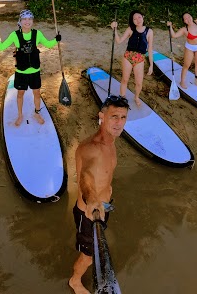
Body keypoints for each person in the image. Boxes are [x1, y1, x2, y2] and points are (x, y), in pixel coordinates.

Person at [69, 95, 129, 294]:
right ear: (101, 116)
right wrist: (93, 198)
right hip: (89, 212)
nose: (119, 123)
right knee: (88, 257)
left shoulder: (111, 141)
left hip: (103, 207)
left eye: (123, 117)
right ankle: (75, 282)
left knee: (94, 251)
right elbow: (85, 175)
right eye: (114, 117)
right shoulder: (91, 148)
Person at [0, 9, 60, 126]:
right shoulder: (14, 35)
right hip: (21, 71)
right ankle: (20, 115)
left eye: (30, 19)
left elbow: (48, 44)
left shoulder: (37, 34)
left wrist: (56, 40)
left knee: (37, 93)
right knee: (20, 94)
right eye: (24, 19)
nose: (27, 21)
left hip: (35, 71)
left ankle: (37, 113)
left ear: (32, 21)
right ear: (20, 21)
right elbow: (1, 47)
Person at [110, 10, 154, 107]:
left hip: (140, 59)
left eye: (139, 17)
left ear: (143, 17)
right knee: (125, 79)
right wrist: (115, 29)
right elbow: (119, 41)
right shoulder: (130, 29)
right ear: (132, 21)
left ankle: (136, 97)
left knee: (139, 82)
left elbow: (150, 49)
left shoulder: (149, 31)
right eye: (134, 19)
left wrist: (151, 64)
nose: (137, 20)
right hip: (128, 57)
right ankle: (122, 97)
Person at [167, 13, 197, 88]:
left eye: (189, 17)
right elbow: (174, 36)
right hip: (190, 48)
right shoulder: (184, 29)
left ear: (191, 17)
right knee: (186, 65)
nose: (188, 19)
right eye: (185, 19)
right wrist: (170, 26)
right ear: (184, 21)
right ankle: (182, 81)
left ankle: (196, 79)